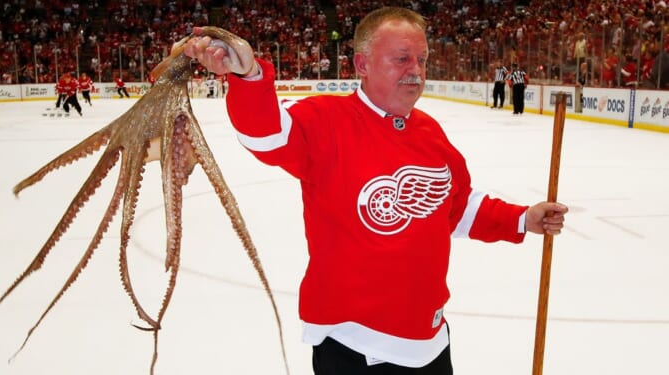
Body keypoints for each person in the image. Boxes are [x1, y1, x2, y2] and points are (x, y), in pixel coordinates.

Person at [185, 7, 567, 374]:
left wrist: (521, 219)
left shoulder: (430, 132)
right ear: (362, 65)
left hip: (430, 343)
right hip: (356, 349)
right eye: (401, 59)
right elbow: (267, 136)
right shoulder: (326, 121)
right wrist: (249, 75)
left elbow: (456, 206)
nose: (415, 71)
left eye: (421, 59)